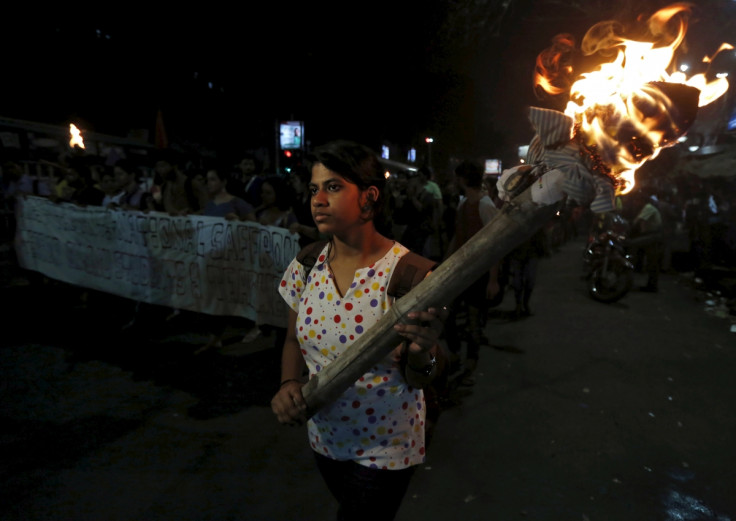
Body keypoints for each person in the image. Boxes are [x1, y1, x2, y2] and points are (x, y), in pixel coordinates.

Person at [270, 140, 445, 521]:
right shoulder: (306, 264)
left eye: (333, 187)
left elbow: (422, 377)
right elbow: (292, 340)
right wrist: (287, 385)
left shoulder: (412, 275)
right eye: (314, 188)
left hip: (388, 445)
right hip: (325, 438)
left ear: (368, 198)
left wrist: (422, 353)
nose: (317, 199)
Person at [442, 160, 500, 386]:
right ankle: (456, 354)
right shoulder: (464, 203)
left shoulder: (485, 205)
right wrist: (444, 265)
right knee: (448, 314)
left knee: (474, 320)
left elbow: (496, 243)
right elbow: (457, 237)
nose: (455, 182)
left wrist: (493, 280)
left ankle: (471, 363)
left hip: (478, 273)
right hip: (460, 272)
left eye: (458, 178)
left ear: (464, 179)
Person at [631, 192, 664, 292]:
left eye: (637, 200)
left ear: (642, 201)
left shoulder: (648, 208)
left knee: (652, 262)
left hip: (653, 235)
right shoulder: (646, 208)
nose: (635, 202)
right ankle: (651, 285)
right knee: (651, 261)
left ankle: (652, 286)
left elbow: (637, 222)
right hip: (650, 235)